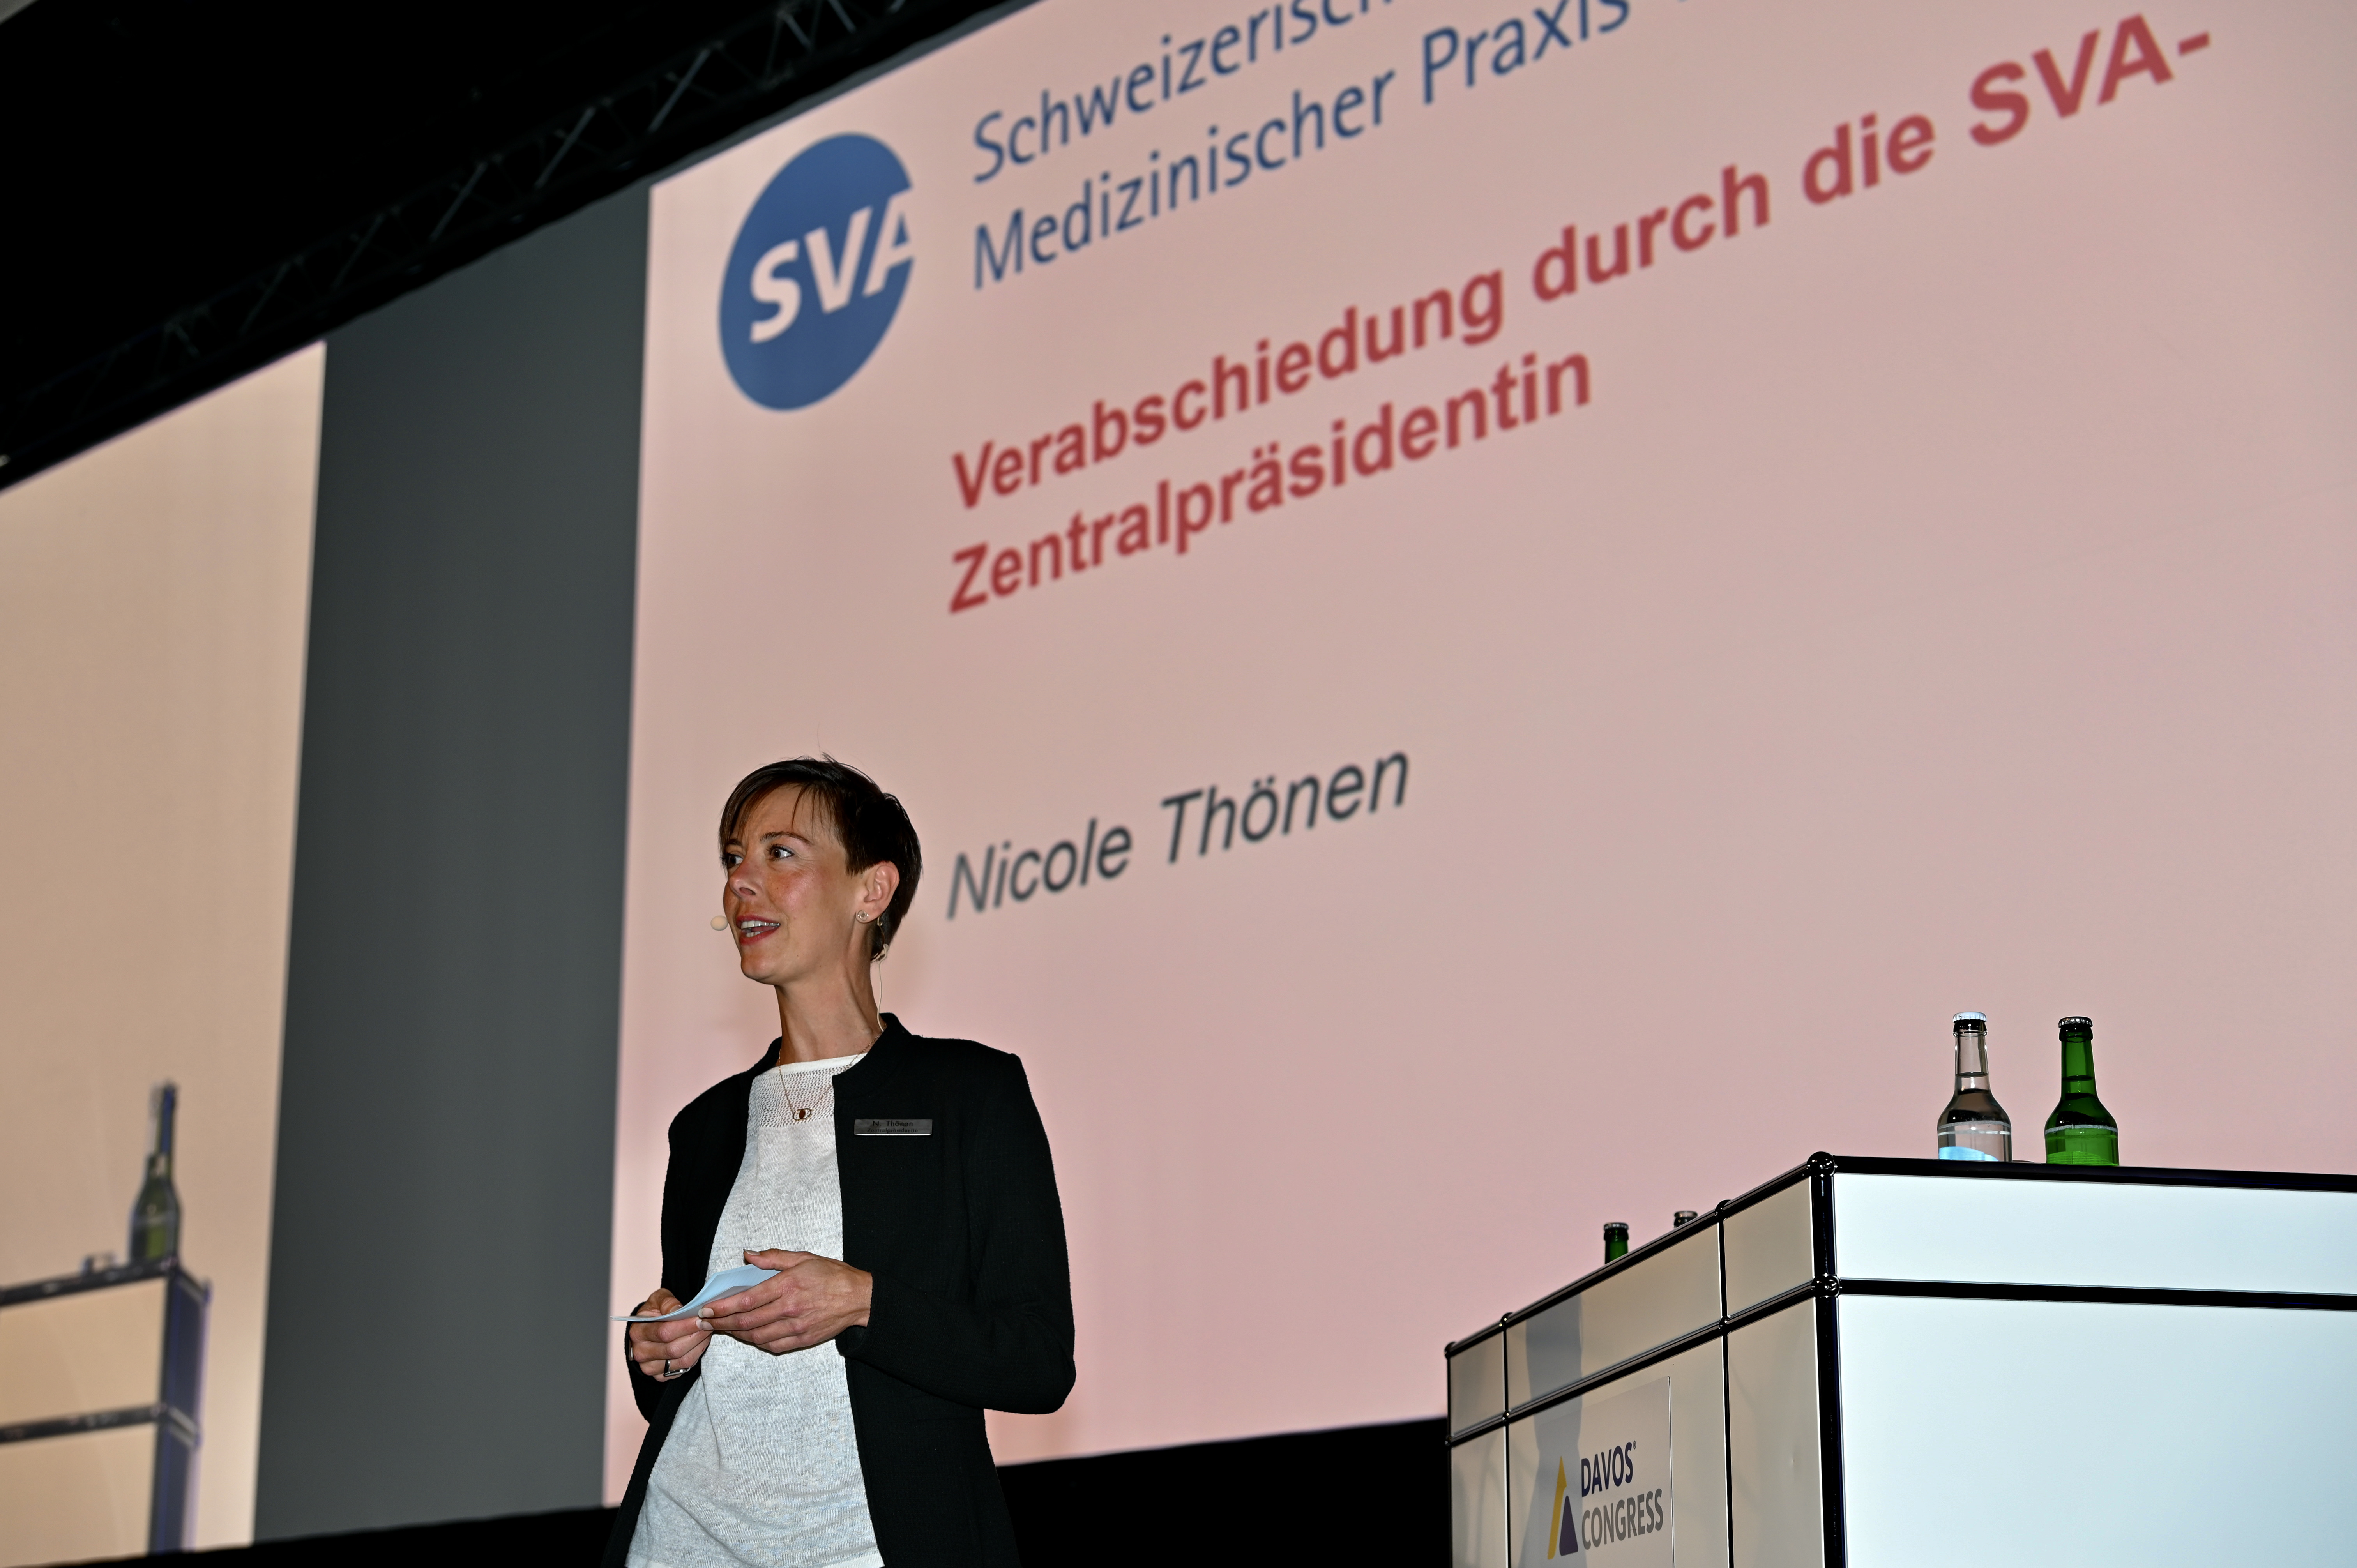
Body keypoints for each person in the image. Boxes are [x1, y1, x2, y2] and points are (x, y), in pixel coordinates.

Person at [606, 758, 1074, 1568]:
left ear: (872, 890)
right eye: (733, 858)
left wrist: (864, 1302)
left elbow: (1036, 1361)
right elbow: (679, 1383)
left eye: (780, 852)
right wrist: (661, 1346)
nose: (741, 882)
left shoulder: (969, 1093)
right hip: (681, 1543)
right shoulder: (706, 1126)